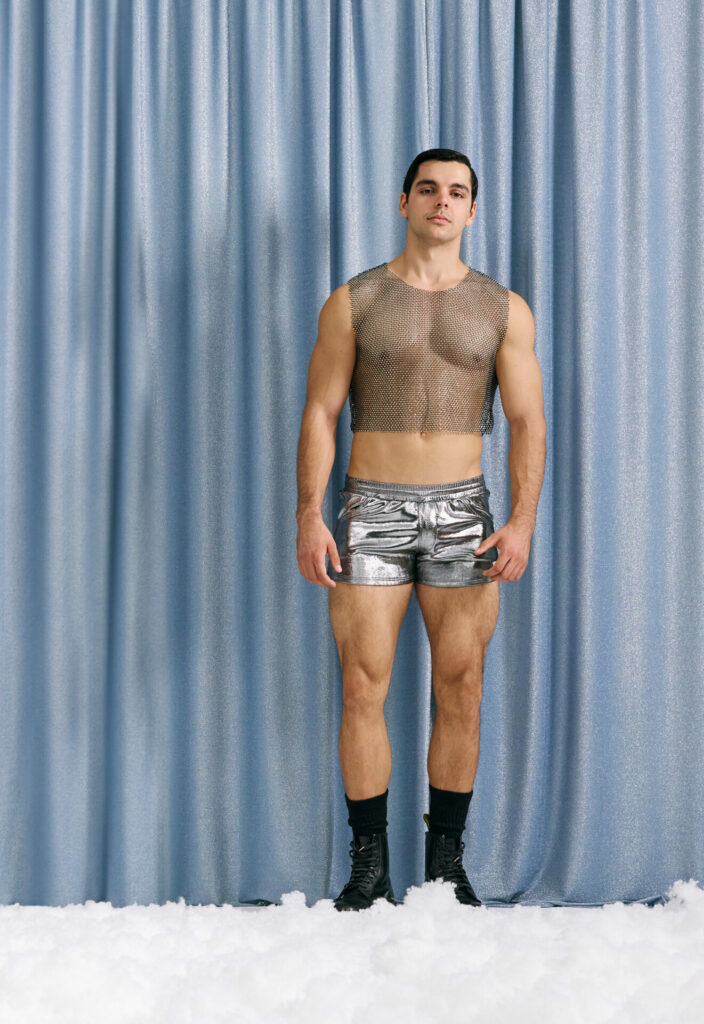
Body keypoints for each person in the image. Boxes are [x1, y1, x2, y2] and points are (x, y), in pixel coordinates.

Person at [296, 147, 546, 911]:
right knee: (362, 687)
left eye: (458, 192)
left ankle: (444, 871)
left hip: (463, 515)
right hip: (369, 508)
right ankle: (368, 871)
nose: (443, 202)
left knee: (461, 688)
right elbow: (320, 412)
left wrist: (522, 521)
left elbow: (528, 418)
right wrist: (309, 513)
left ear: (473, 210)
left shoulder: (504, 308)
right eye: (429, 189)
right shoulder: (353, 300)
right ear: (403, 202)